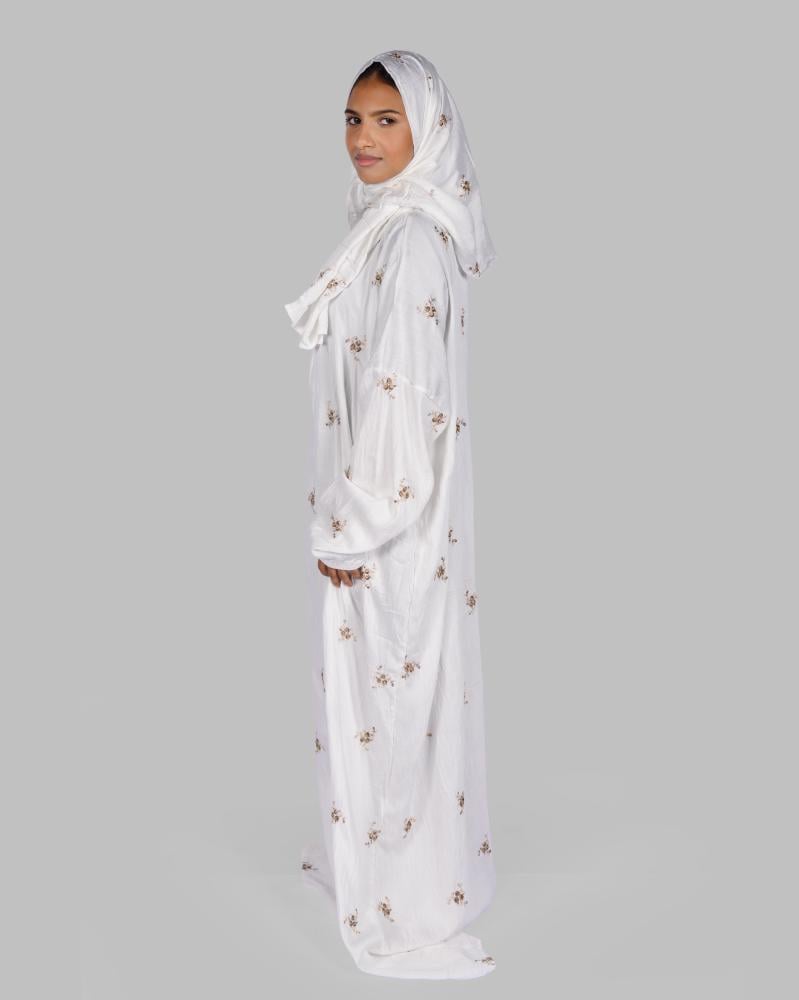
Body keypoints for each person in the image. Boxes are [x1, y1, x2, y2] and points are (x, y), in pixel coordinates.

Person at [284, 48, 498, 980]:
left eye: (385, 120)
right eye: (352, 118)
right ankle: (372, 864)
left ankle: (405, 903)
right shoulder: (383, 227)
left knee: (394, 695)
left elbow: (403, 402)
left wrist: (353, 524)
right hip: (383, 515)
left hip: (389, 526)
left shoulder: (409, 239)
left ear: (428, 129)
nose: (362, 140)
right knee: (382, 698)